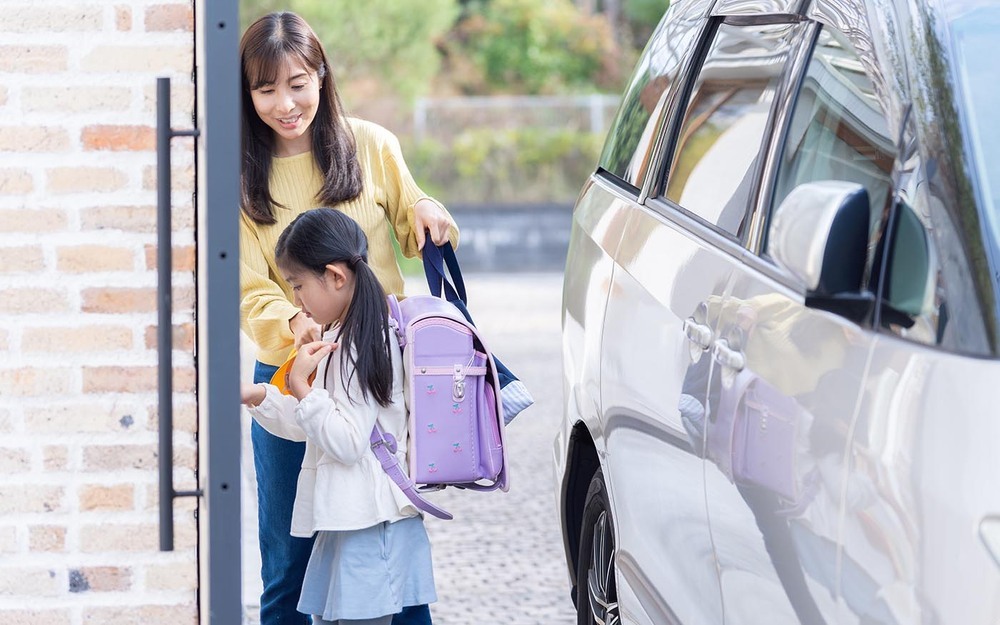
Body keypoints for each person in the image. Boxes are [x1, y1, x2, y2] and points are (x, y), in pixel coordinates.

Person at [238, 12, 457, 625]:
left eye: (298, 82)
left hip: (376, 368)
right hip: (292, 373)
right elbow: (252, 290)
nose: (286, 104)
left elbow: (414, 223)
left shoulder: (371, 145)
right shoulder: (237, 177)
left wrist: (431, 210)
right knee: (290, 559)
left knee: (389, 538)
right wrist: (296, 328)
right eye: (265, 89)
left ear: (321, 75)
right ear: (247, 94)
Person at [242, 208, 437, 625]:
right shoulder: (339, 335)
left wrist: (302, 387)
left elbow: (347, 442)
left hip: (369, 524)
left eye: (297, 285)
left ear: (335, 276)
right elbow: (309, 427)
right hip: (348, 521)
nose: (296, 300)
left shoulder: (366, 341)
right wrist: (260, 395)